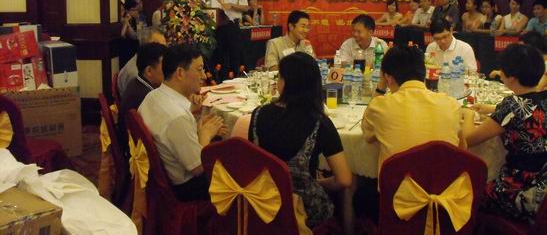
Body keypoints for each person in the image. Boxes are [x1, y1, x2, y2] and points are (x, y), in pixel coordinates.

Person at [357, 45, 463, 221]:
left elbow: (367, 136)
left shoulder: (381, 105)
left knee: (360, 193)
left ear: (388, 77)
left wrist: (381, 87)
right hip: (446, 201)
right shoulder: (451, 104)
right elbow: (461, 148)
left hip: (397, 202)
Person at [248, 52, 352, 227]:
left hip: (262, 201)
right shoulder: (320, 122)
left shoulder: (258, 114)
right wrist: (318, 182)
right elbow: (344, 179)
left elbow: (253, 162)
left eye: (279, 77)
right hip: (303, 210)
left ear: (285, 83)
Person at [462, 44, 546, 224]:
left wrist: (468, 114)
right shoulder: (542, 98)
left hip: (521, 191)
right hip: (542, 185)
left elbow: (468, 139)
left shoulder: (512, 105)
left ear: (512, 78)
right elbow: (529, 110)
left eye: (502, 69)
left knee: (467, 194)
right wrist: (492, 109)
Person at [138, 45, 227, 201]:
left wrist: (198, 128)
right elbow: (198, 167)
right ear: (180, 73)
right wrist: (205, 135)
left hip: (163, 177)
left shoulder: (153, 96)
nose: (204, 75)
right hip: (187, 188)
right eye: (199, 69)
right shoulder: (177, 118)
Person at [118, 42, 167, 158]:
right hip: (140, 155)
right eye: (165, 67)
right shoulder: (144, 96)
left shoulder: (137, 83)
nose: (169, 71)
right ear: (149, 71)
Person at [205, 0, 248, 77]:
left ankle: (236, 78)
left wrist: (231, 5)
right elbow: (205, 5)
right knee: (218, 56)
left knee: (234, 56)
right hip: (215, 26)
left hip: (231, 25)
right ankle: (218, 79)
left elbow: (245, 7)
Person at [117, 28, 167, 98]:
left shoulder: (145, 62)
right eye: (161, 47)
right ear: (148, 47)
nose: (166, 51)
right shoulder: (134, 73)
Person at [120, 0, 141, 68]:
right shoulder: (122, 21)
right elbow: (123, 35)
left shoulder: (132, 19)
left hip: (132, 49)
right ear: (127, 10)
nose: (136, 12)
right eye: (133, 10)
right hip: (125, 50)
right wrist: (126, 23)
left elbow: (136, 36)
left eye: (122, 10)